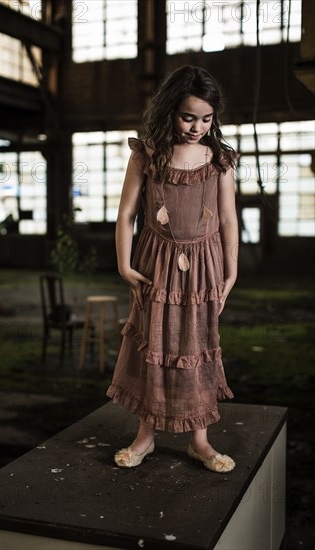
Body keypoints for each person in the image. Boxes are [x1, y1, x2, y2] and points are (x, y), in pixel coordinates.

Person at [106, 65, 238, 473]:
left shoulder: (218, 158)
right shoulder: (147, 152)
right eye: (188, 117)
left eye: (206, 118)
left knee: (196, 344)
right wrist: (124, 266)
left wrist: (232, 272)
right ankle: (145, 436)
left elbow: (229, 218)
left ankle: (199, 440)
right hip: (156, 263)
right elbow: (127, 212)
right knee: (154, 344)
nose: (197, 127)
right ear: (169, 110)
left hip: (203, 266)